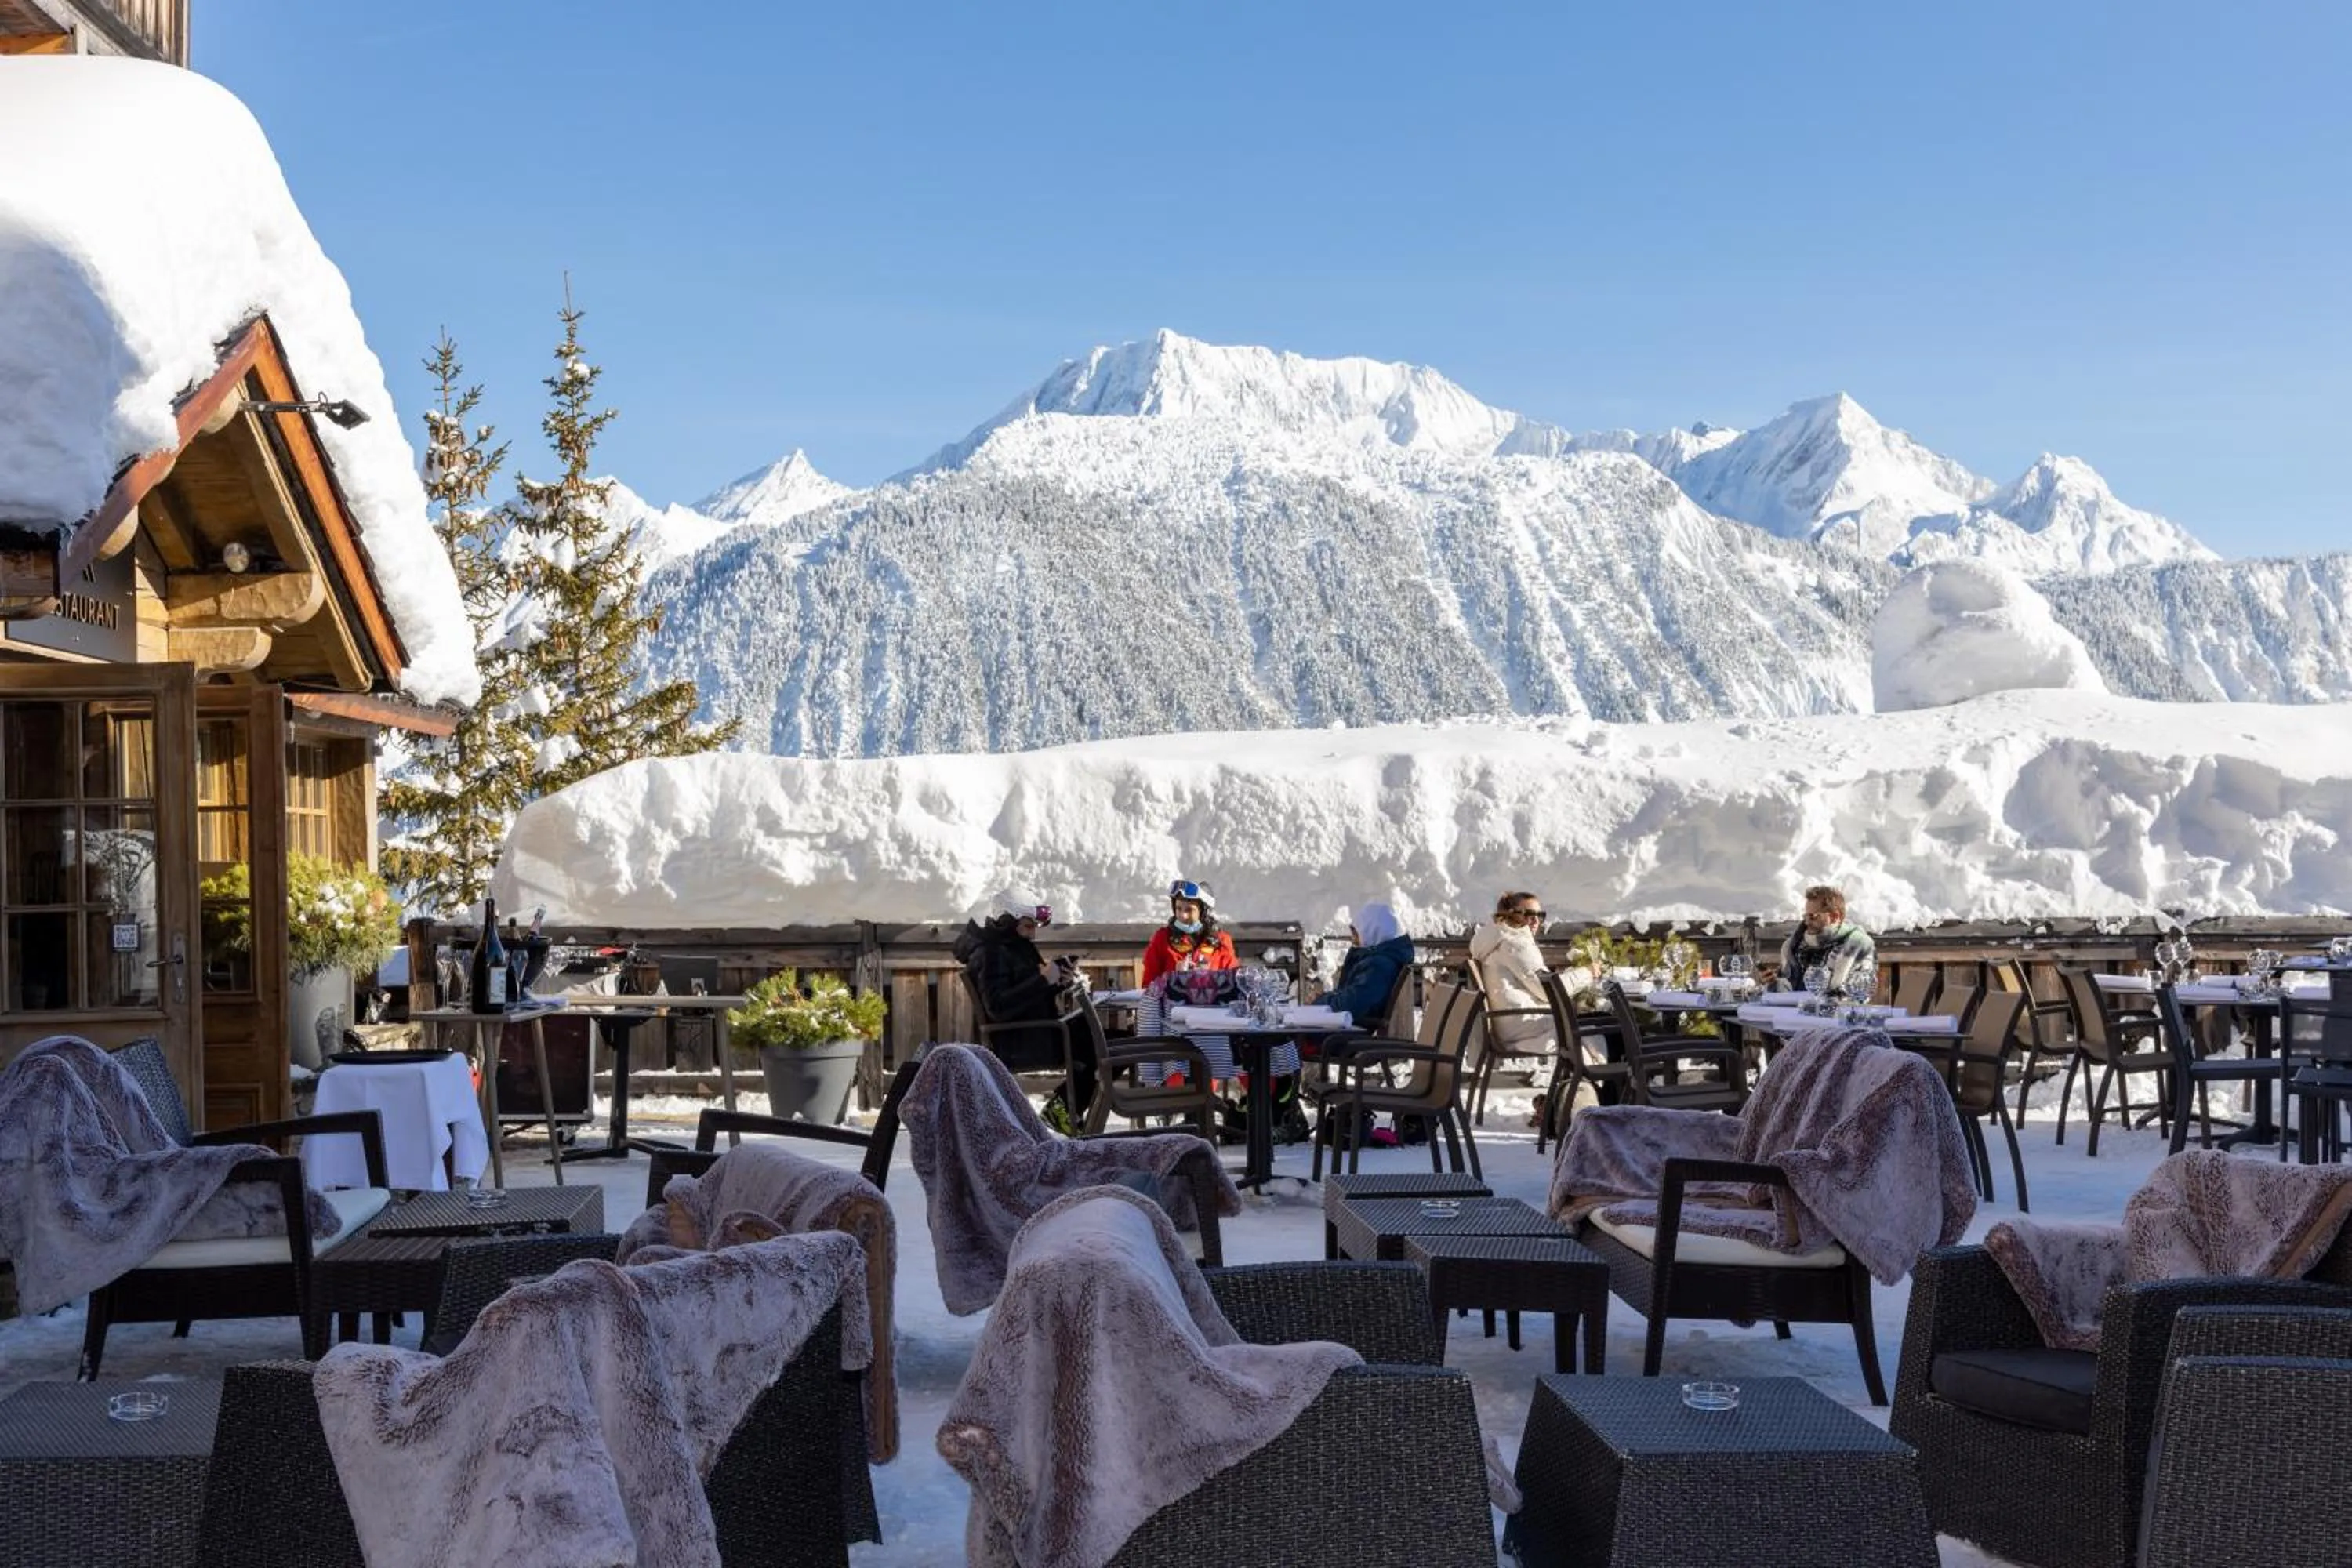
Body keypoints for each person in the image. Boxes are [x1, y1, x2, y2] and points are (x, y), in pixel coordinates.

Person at [950, 891, 1096, 1123]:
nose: (1033, 933)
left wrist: (1060, 980)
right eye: (1028, 926)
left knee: (1112, 1039)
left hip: (1038, 1033)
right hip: (1021, 1041)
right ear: (1009, 921)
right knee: (1103, 1044)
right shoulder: (991, 952)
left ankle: (1065, 1109)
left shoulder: (1014, 946)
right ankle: (1063, 1110)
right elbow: (998, 1007)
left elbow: (1029, 992)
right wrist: (1043, 980)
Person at [1468, 891, 1554, 1052]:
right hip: (1524, 1026)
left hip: (1511, 1023)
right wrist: (1586, 973)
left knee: (1592, 1026)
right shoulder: (1514, 944)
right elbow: (1548, 991)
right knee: (1595, 1025)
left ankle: (1588, 1073)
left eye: (1540, 915)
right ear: (1511, 915)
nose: (1536, 920)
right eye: (1529, 914)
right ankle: (1598, 1073)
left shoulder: (1497, 939)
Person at [1319, 902, 1414, 1026]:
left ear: (1371, 931)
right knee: (1291, 1040)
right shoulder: (1381, 960)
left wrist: (1319, 1003)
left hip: (1349, 1034)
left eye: (1356, 933)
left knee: (1290, 1040)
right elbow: (1352, 996)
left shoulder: (1378, 967)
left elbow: (1350, 1005)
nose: (1353, 939)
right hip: (1348, 1030)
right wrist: (1325, 999)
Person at [1773, 885, 1877, 999]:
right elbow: (1786, 991)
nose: (1807, 922)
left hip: (1835, 1014)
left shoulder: (1857, 945)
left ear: (1834, 916)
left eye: (1813, 917)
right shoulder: (1793, 946)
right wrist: (1773, 984)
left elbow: (1858, 994)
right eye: (1806, 916)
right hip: (1792, 1014)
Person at [1142, 879, 1238, 986]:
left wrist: (1210, 977)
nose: (1183, 916)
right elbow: (1148, 988)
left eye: (1189, 910)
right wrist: (1174, 976)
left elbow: (1233, 985)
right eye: (1179, 908)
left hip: (1212, 1003)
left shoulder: (1221, 942)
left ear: (1203, 912)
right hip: (1173, 1003)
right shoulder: (1162, 938)